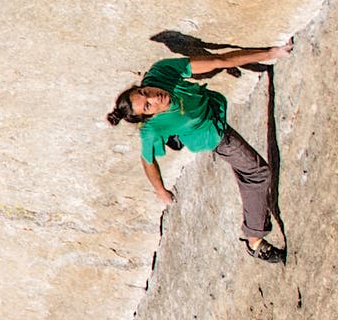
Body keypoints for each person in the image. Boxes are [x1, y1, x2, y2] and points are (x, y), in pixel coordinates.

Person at [109, 40, 289, 260]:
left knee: (248, 171)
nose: (155, 97)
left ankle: (175, 137)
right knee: (256, 172)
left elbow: (218, 61)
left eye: (146, 92)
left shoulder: (162, 72)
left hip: (210, 107)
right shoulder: (150, 130)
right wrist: (160, 190)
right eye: (148, 106)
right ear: (148, 117)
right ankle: (255, 240)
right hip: (210, 132)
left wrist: (270, 52)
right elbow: (148, 161)